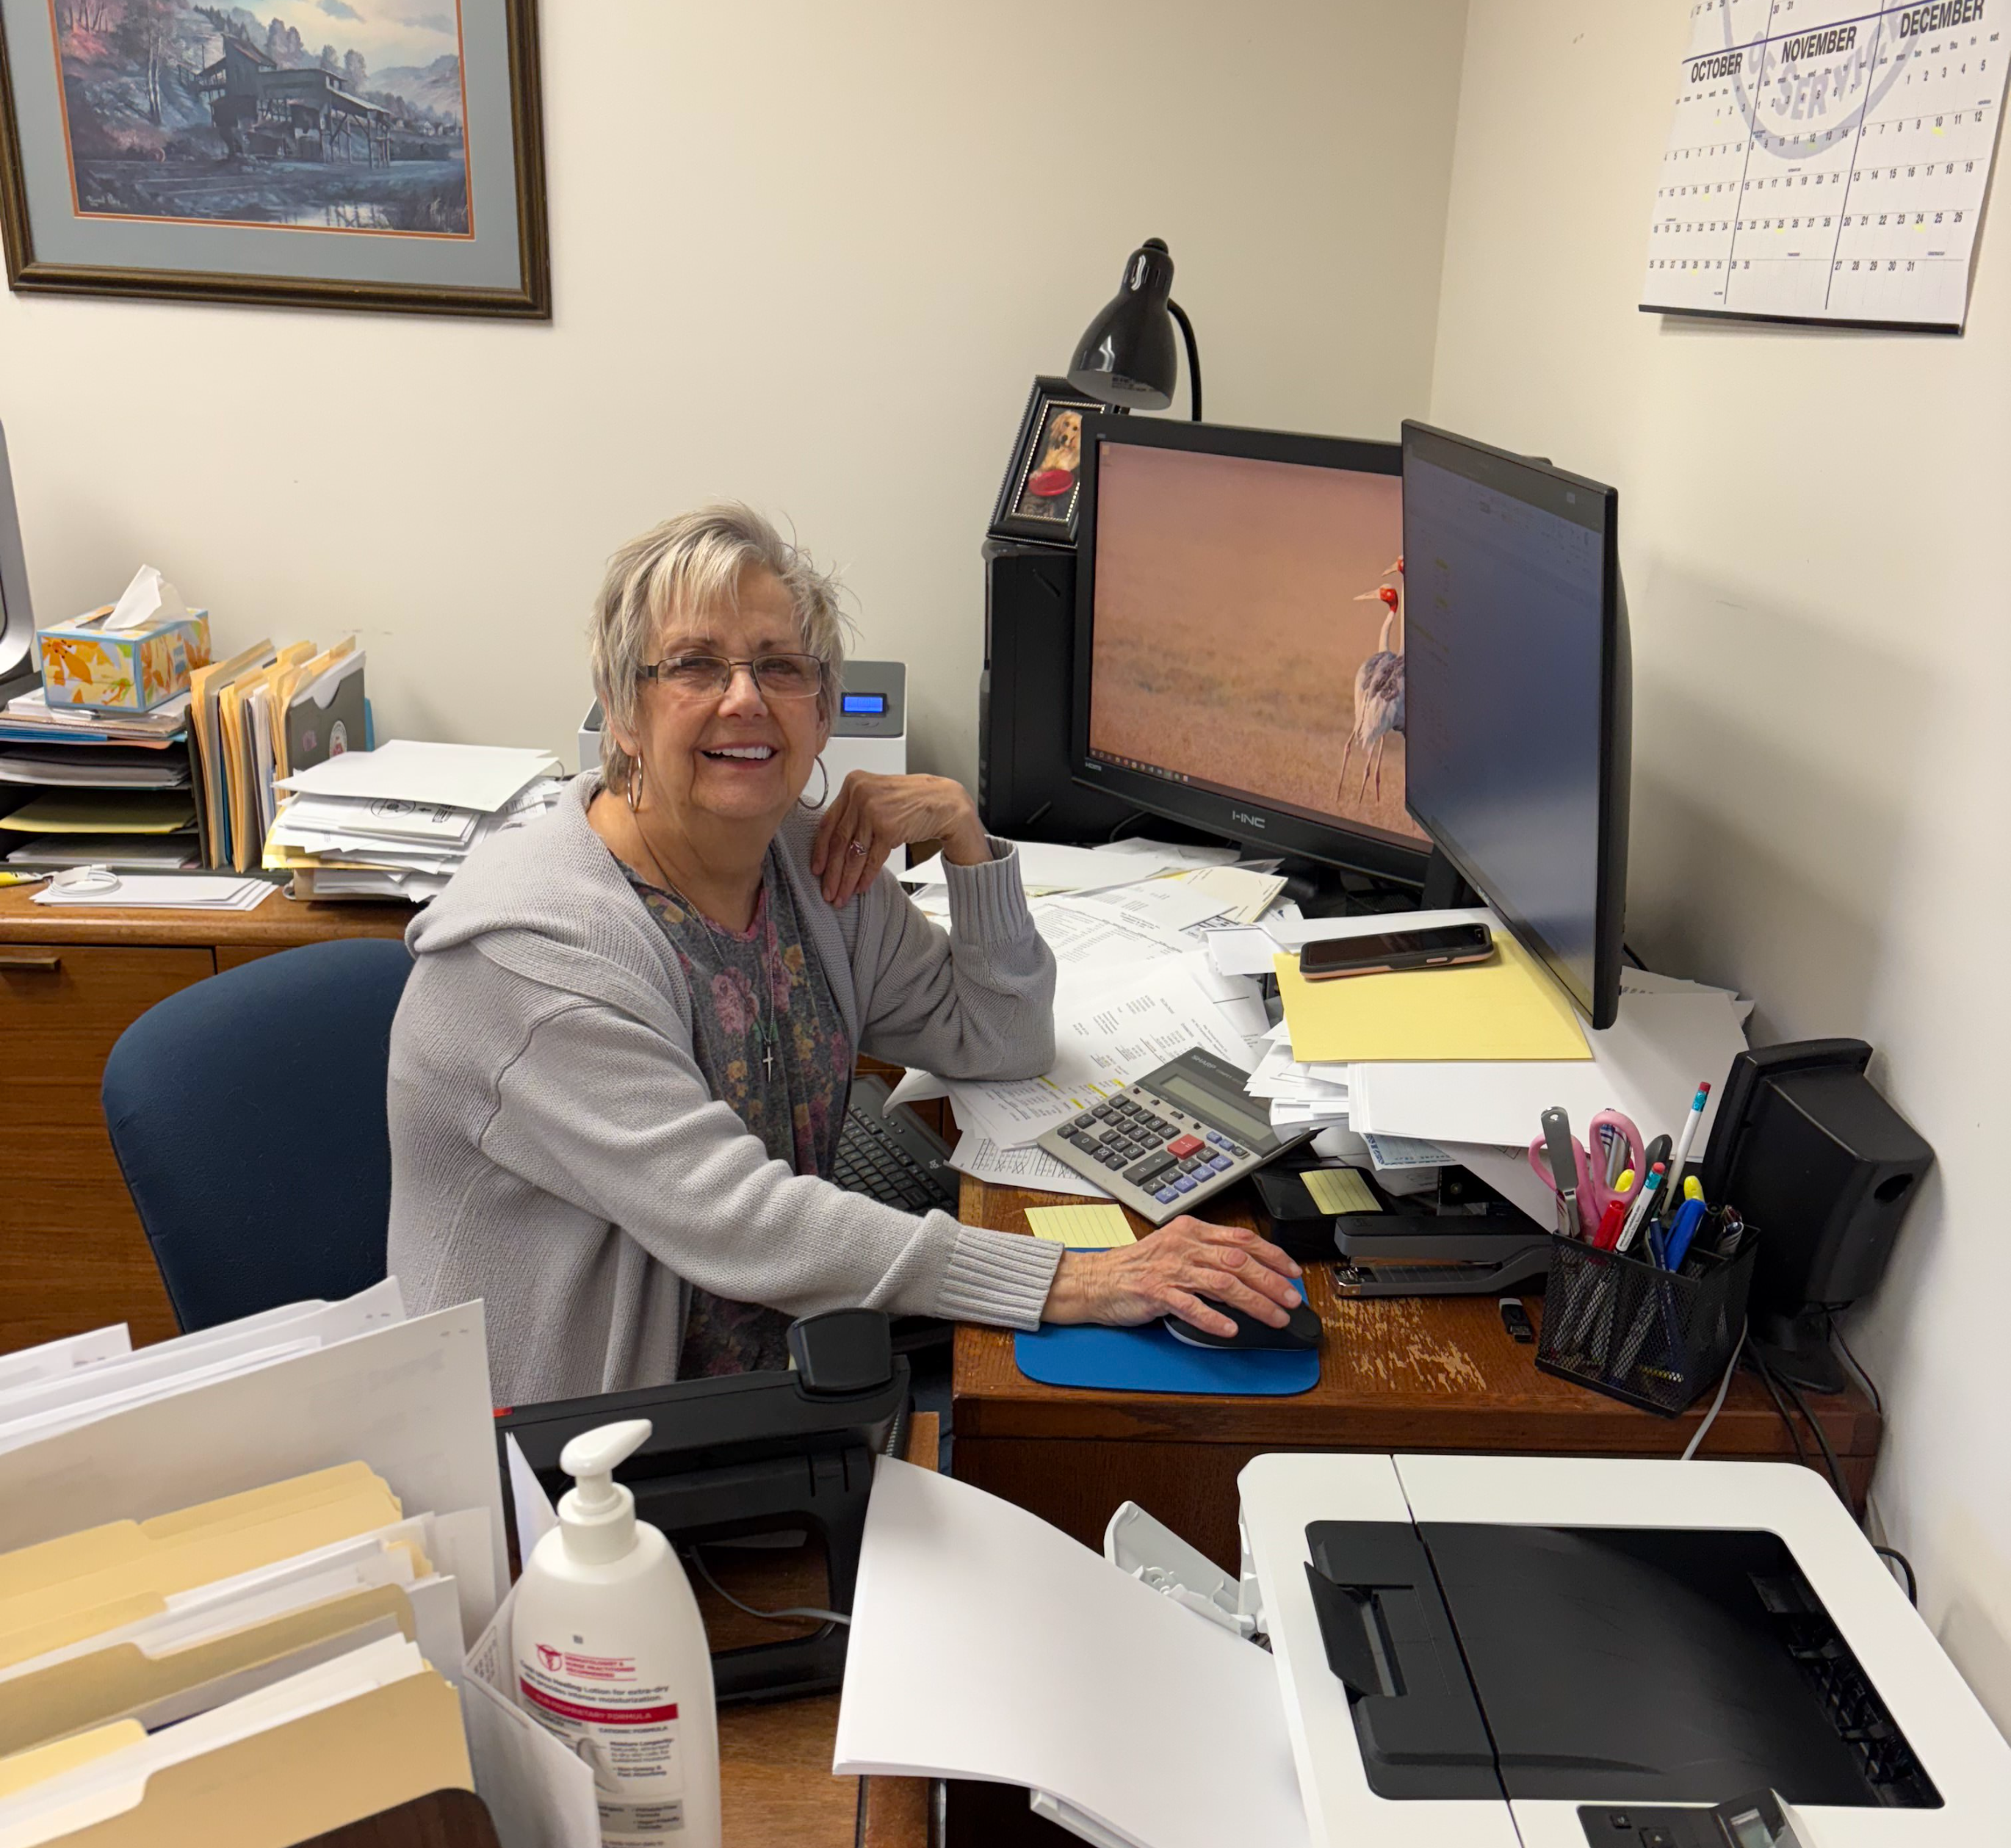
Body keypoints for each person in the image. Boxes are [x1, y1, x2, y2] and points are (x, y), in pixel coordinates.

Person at [386, 505, 1303, 1404]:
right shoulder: (531, 954)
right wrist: (1075, 1279)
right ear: (623, 710)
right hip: (570, 1466)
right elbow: (741, 1220)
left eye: (779, 667)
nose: (744, 697)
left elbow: (1002, 1036)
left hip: (776, 1374)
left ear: (823, 714)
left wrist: (967, 843)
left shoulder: (809, 865)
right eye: (695, 665)